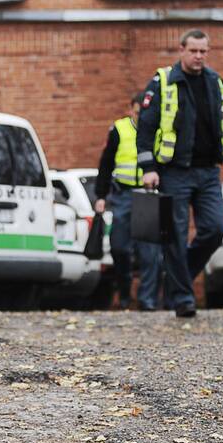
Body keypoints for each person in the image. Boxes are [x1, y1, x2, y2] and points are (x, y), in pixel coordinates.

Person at [137, 29, 223, 318]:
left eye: (203, 51)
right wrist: (148, 169)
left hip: (209, 171)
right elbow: (146, 129)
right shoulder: (163, 81)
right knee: (175, 234)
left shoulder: (215, 83)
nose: (198, 56)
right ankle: (184, 298)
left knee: (215, 230)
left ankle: (176, 281)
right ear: (182, 50)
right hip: (174, 172)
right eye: (193, 51)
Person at [93, 92, 162, 311]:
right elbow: (106, 163)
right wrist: (101, 195)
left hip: (148, 195)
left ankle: (147, 299)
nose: (141, 116)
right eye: (137, 112)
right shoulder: (119, 129)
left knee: (149, 252)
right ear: (130, 110)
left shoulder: (157, 130)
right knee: (120, 247)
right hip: (123, 195)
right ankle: (124, 292)